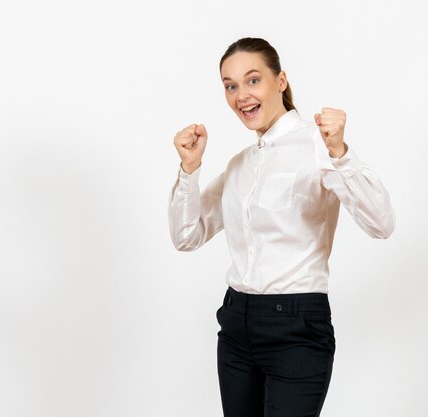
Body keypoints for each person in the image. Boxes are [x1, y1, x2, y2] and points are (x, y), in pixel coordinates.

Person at [168, 37, 395, 417]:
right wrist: (189, 170)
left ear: (281, 81)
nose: (242, 95)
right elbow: (186, 236)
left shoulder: (319, 145)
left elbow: (381, 223)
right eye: (230, 85)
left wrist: (340, 153)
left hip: (296, 330)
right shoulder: (240, 164)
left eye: (253, 80)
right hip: (236, 328)